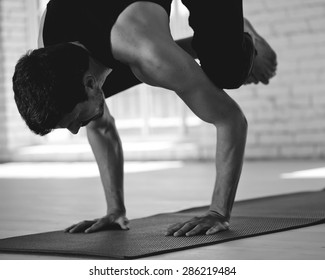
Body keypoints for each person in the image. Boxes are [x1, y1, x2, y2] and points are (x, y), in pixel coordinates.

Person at [12, 0, 277, 237]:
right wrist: (115, 210)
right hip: (130, 33)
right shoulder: (49, 56)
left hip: (139, 36)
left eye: (72, 121)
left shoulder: (146, 53)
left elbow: (231, 120)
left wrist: (219, 213)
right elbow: (101, 128)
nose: (73, 131)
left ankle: (238, 37)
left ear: (91, 83)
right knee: (131, 79)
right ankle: (215, 40)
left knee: (227, 70)